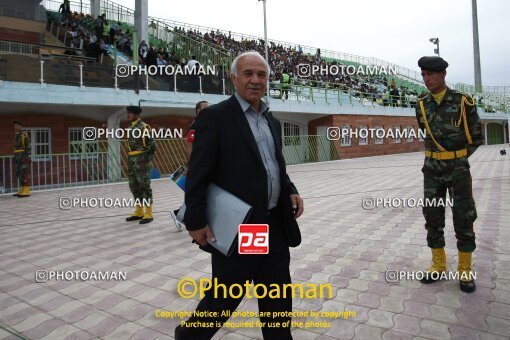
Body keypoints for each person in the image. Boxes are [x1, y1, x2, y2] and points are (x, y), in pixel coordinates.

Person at [174, 51, 304, 340]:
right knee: (226, 296)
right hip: (244, 226)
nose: (256, 80)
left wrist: (291, 190)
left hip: (274, 224)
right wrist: (195, 221)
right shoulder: (216, 117)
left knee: (278, 296)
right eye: (248, 74)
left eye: (262, 74)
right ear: (234, 78)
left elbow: (273, 165)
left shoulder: (272, 121)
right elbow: (198, 172)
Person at [415, 56, 483, 293]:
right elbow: (425, 133)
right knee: (432, 217)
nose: (426, 79)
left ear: (443, 74)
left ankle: (465, 271)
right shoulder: (421, 103)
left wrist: (458, 158)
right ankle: (438, 266)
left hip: (457, 170)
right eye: (423, 75)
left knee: (463, 217)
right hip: (431, 170)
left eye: (430, 74)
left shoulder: (463, 102)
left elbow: (477, 138)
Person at [170, 100, 209, 231]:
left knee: (201, 193)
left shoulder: (206, 123)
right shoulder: (195, 125)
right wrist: (193, 165)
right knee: (198, 193)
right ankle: (178, 214)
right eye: (204, 108)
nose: (208, 110)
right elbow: (189, 146)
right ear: (198, 111)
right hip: (198, 165)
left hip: (205, 164)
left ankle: (179, 214)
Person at [125, 106, 156, 224]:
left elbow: (152, 146)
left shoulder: (144, 127)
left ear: (136, 114)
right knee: (134, 186)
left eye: (130, 113)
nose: (128, 115)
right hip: (132, 160)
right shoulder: (130, 127)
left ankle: (148, 213)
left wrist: (145, 159)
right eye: (127, 113)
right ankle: (139, 211)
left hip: (141, 160)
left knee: (144, 186)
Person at [12, 122, 31, 197]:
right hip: (17, 155)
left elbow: (27, 146)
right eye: (14, 126)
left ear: (20, 126)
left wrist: (27, 156)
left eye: (17, 126)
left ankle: (26, 190)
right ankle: (22, 189)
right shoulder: (16, 135)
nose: (15, 127)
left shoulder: (24, 134)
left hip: (23, 155)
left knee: (24, 172)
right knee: (19, 173)